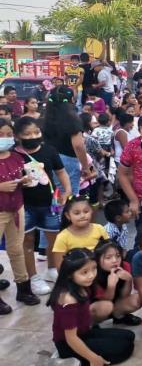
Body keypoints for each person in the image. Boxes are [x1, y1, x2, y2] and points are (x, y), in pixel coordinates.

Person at [44, 248, 135, 366]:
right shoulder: (68, 299)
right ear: (70, 274)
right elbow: (71, 338)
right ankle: (71, 362)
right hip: (68, 344)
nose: (91, 275)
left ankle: (79, 356)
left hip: (85, 333)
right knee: (123, 350)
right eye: (84, 272)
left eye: (94, 269)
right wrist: (93, 358)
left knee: (129, 336)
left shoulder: (83, 286)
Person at [15, 117, 72, 296]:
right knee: (27, 241)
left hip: (50, 203)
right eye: (27, 134)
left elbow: (61, 172)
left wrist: (67, 191)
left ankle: (52, 269)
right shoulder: (13, 154)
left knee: (53, 238)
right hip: (24, 205)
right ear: (17, 137)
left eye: (36, 132)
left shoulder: (49, 150)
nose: (33, 136)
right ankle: (33, 277)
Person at [0, 119, 40, 314]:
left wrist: (24, 180)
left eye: (8, 134)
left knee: (16, 249)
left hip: (16, 208)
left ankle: (23, 288)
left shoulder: (17, 156)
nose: (5, 138)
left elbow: (19, 177)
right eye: (1, 134)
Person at [44, 85, 92, 195]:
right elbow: (78, 145)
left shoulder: (44, 118)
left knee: (53, 195)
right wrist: (85, 167)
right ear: (71, 100)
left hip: (47, 159)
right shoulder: (73, 119)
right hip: (67, 161)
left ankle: (55, 212)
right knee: (68, 195)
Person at [90, 239, 142, 325]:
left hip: (116, 304)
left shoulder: (125, 266)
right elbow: (105, 302)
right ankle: (92, 325)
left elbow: (124, 296)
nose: (115, 260)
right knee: (105, 306)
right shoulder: (94, 274)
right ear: (98, 260)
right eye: (108, 257)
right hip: (99, 307)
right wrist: (111, 286)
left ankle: (119, 317)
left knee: (139, 298)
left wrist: (129, 279)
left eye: (118, 256)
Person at [51, 195, 109, 268]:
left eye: (86, 211)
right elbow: (60, 266)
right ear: (68, 215)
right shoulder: (63, 237)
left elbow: (108, 251)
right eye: (77, 213)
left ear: (91, 211)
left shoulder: (99, 229)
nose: (82, 216)